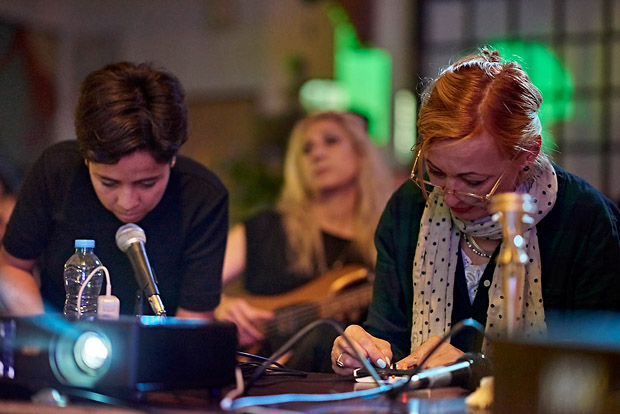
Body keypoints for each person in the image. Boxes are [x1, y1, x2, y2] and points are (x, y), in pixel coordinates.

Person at [331, 48, 620, 375]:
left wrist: (472, 369)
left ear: (528, 153)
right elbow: (389, 339)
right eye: (436, 172)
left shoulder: (583, 219)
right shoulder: (409, 208)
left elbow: (599, 370)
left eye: (473, 180)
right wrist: (363, 351)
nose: (451, 197)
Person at [0, 62, 228, 319]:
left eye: (147, 184)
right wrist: (50, 337)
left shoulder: (203, 197)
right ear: (86, 159)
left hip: (159, 353)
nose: (127, 202)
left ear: (172, 160)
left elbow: (194, 321)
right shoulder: (55, 172)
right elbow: (13, 267)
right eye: (108, 183)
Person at [216, 110, 393, 371]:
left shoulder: (387, 235)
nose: (317, 154)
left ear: (360, 151)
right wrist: (221, 305)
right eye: (306, 149)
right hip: (258, 374)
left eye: (331, 141)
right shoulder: (265, 228)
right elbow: (195, 284)